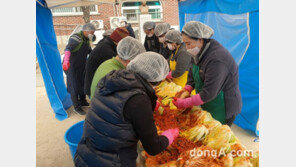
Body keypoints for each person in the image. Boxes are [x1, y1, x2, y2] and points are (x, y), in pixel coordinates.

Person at [74, 52, 179, 167]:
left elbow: (118, 111)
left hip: (85, 154)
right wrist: (168, 137)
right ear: (156, 80)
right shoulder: (139, 99)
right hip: (112, 162)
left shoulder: (109, 79)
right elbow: (153, 148)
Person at [173, 21, 242, 126]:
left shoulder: (216, 59)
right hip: (208, 102)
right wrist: (187, 88)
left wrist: (185, 103)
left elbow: (209, 93)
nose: (187, 48)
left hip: (223, 105)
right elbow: (192, 72)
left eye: (188, 43)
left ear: (200, 40)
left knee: (218, 136)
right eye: (185, 43)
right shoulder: (197, 51)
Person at [84, 27, 129, 97]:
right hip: (94, 87)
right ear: (119, 41)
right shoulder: (106, 50)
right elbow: (118, 65)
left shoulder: (107, 44)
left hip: (98, 85)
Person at [62, 23, 96, 115]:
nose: (92, 35)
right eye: (91, 33)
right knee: (74, 86)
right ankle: (76, 107)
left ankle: (82, 101)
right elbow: (68, 49)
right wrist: (66, 61)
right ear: (86, 31)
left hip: (81, 65)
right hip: (71, 65)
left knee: (82, 83)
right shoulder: (76, 38)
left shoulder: (86, 40)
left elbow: (89, 51)